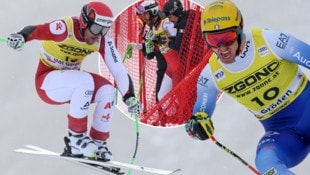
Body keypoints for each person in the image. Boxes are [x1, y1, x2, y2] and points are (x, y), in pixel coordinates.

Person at [185, 0, 310, 174]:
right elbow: (199, 116)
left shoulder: (270, 41)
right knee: (265, 161)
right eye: (213, 40)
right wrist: (196, 127)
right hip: (283, 134)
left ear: (239, 30)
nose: (222, 48)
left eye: (227, 38)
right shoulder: (210, 74)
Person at [7, 1, 141, 161]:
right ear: (84, 22)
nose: (98, 34)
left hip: (73, 85)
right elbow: (37, 30)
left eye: (104, 30)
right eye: (97, 28)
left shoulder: (102, 40)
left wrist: (129, 96)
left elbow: (119, 70)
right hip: (47, 83)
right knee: (85, 81)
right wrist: (21, 36)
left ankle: (97, 144)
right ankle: (76, 140)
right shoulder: (65, 28)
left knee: (107, 91)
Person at [130, 0, 181, 102]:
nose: (143, 18)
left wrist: (157, 39)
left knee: (177, 96)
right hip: (166, 68)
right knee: (160, 97)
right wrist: (142, 47)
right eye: (142, 15)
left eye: (145, 14)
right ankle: (167, 117)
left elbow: (177, 41)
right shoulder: (151, 29)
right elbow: (150, 55)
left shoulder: (166, 22)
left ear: (153, 11)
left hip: (177, 65)